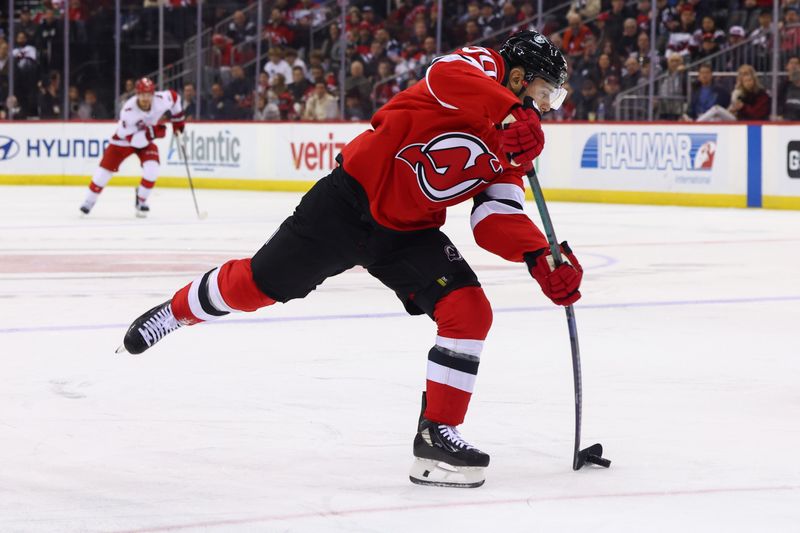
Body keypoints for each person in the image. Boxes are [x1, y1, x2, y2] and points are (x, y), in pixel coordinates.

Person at [115, 31, 582, 488]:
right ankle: (174, 312)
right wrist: (511, 109)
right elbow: (443, 77)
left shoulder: (518, 147)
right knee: (257, 285)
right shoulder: (485, 68)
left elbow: (494, 219)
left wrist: (539, 253)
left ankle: (436, 433)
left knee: (469, 311)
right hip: (346, 204)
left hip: (409, 232)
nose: (545, 108)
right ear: (518, 77)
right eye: (543, 93)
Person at [79, 78, 184, 217]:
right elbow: (135, 141)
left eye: (148, 94)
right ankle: (89, 201)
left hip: (145, 139)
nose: (145, 98)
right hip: (124, 140)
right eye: (142, 94)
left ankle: (141, 200)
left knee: (152, 169)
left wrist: (178, 122)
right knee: (103, 173)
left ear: (153, 93)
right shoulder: (128, 110)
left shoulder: (162, 99)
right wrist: (153, 132)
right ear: (137, 94)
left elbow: (175, 98)